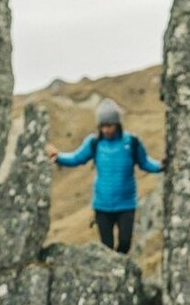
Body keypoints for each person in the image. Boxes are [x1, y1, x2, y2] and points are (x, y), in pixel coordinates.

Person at [45, 98, 163, 254]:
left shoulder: (132, 142)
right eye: (102, 126)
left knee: (125, 244)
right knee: (106, 249)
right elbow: (76, 158)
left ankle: (121, 272)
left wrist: (161, 166)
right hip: (102, 206)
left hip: (126, 205)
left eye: (109, 125)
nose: (106, 130)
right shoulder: (94, 143)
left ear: (117, 124)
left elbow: (145, 163)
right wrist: (58, 157)